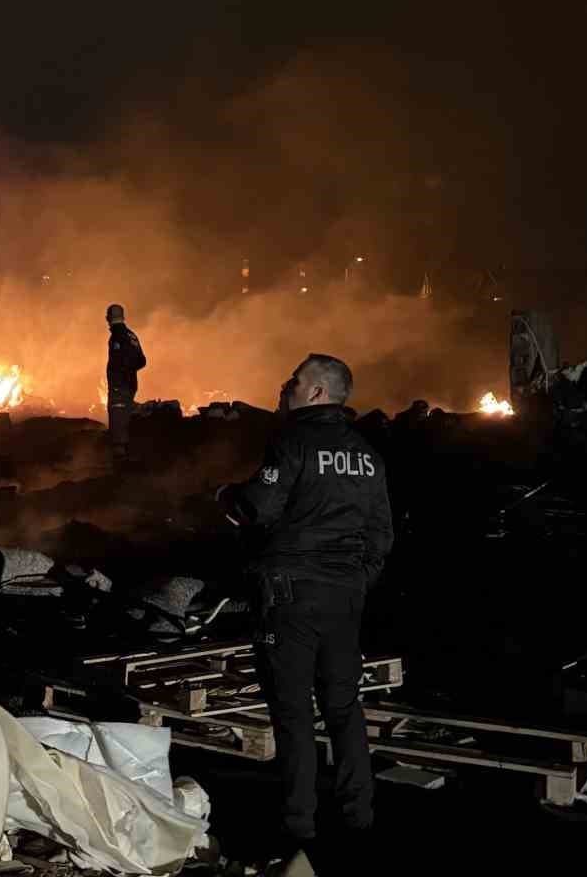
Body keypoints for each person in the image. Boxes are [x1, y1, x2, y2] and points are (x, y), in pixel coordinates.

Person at [216, 354, 393, 862]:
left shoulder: (293, 442)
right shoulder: (367, 455)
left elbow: (257, 507)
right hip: (344, 597)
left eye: (294, 381)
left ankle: (299, 827)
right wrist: (356, 582)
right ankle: (360, 816)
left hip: (291, 594)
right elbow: (382, 534)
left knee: (293, 711)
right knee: (343, 705)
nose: (286, 387)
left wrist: (227, 496)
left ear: (316, 392)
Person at [104, 303, 145, 461]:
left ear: (109, 318)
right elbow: (142, 360)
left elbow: (119, 361)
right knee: (126, 414)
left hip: (119, 387)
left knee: (117, 417)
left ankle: (120, 460)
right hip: (130, 385)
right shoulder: (131, 335)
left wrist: (121, 372)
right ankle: (129, 452)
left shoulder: (117, 335)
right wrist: (130, 370)